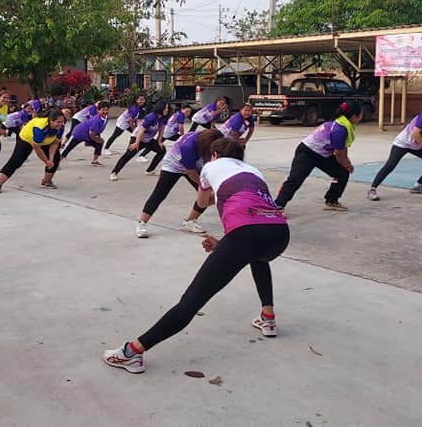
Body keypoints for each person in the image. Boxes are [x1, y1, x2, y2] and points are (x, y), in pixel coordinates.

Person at [103, 138, 289, 374]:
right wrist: (225, 245)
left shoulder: (210, 168)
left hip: (245, 235)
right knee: (258, 258)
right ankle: (268, 317)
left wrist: (226, 239)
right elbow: (256, 217)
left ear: (213, 154)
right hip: (280, 233)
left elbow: (203, 202)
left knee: (191, 301)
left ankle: (132, 352)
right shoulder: (254, 171)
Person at [274, 100, 363, 212]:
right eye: (361, 113)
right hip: (307, 153)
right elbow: (339, 153)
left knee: (342, 173)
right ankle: (277, 207)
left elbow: (342, 148)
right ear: (354, 116)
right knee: (295, 180)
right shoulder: (339, 128)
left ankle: (331, 201)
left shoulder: (344, 124)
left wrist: (346, 165)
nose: (362, 116)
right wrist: (348, 165)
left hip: (322, 155)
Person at [134, 129, 223, 238]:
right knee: (160, 193)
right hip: (173, 165)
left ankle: (189, 222)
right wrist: (205, 185)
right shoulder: (189, 146)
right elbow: (190, 172)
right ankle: (142, 223)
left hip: (195, 164)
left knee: (207, 195)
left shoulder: (206, 139)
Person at [368, 96, 422, 200]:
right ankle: (372, 189)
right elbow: (415, 133)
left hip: (418, 145)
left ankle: (418, 185)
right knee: (390, 165)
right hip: (404, 143)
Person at [0, 110, 67, 193]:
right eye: (58, 122)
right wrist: (46, 161)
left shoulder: (61, 127)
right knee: (16, 161)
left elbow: (55, 143)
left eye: (62, 122)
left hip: (46, 141)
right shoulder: (40, 127)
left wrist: (51, 158)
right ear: (51, 120)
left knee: (55, 159)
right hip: (26, 139)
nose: (60, 124)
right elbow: (37, 148)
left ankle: (46, 181)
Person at [110, 100, 169, 181]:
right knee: (128, 155)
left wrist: (159, 142)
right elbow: (141, 130)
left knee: (162, 150)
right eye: (165, 108)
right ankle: (114, 172)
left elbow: (162, 129)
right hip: (137, 137)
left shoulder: (164, 118)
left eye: (167, 108)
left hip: (148, 139)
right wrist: (136, 143)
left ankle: (150, 170)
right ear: (160, 108)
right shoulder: (151, 117)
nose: (167, 110)